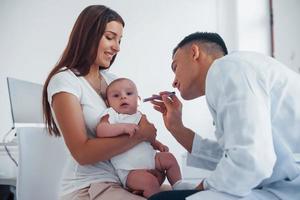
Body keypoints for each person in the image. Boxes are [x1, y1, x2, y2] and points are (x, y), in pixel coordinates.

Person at [149, 32, 300, 200]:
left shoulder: (225, 68)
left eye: (175, 67)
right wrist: (177, 128)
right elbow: (236, 154)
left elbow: (250, 159)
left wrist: (204, 187)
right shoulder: (237, 70)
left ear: (194, 52)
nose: (174, 82)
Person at [42, 5, 158, 200]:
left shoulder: (113, 82)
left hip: (122, 180)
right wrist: (139, 136)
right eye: (110, 37)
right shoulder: (65, 81)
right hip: (87, 187)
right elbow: (82, 153)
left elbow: (140, 123)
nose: (117, 47)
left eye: (119, 40)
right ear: (88, 35)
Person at [96, 78, 195, 198]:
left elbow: (148, 137)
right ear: (107, 102)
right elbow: (101, 130)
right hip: (130, 171)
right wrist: (122, 128)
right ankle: (153, 194)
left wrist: (157, 144)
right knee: (149, 182)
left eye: (129, 93)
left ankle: (178, 185)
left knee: (169, 158)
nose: (123, 97)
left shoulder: (140, 116)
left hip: (151, 159)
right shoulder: (111, 115)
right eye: (116, 95)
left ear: (138, 100)